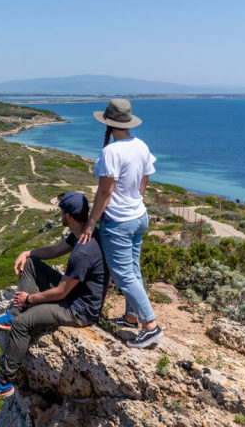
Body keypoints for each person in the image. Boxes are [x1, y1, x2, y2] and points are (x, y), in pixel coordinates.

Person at [0, 192, 108, 401]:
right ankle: (13, 314)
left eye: (61, 211)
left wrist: (29, 299)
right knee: (31, 264)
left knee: (23, 323)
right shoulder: (84, 233)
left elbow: (62, 291)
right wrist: (28, 253)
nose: (60, 214)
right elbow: (55, 250)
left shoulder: (83, 251)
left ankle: (2, 382)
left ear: (68, 216)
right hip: (74, 293)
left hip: (79, 309)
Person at [78, 99, 163, 349]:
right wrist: (133, 200)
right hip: (139, 216)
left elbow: (105, 191)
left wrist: (91, 221)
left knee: (124, 274)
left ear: (107, 123)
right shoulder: (141, 145)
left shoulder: (111, 152)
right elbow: (144, 181)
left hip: (118, 221)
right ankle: (130, 317)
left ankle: (150, 326)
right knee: (133, 269)